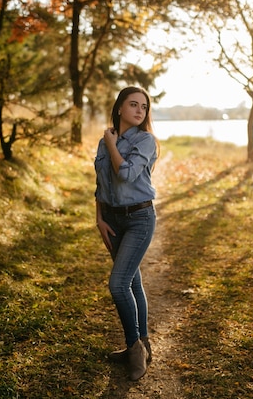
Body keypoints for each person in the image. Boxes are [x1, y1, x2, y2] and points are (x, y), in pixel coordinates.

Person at [94, 86, 159, 381]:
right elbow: (102, 183)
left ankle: (134, 350)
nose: (139, 111)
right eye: (133, 105)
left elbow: (126, 173)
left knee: (118, 284)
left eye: (143, 107)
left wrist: (111, 144)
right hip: (112, 220)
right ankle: (142, 344)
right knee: (132, 283)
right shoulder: (105, 140)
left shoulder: (146, 141)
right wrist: (99, 218)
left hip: (139, 219)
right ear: (119, 107)